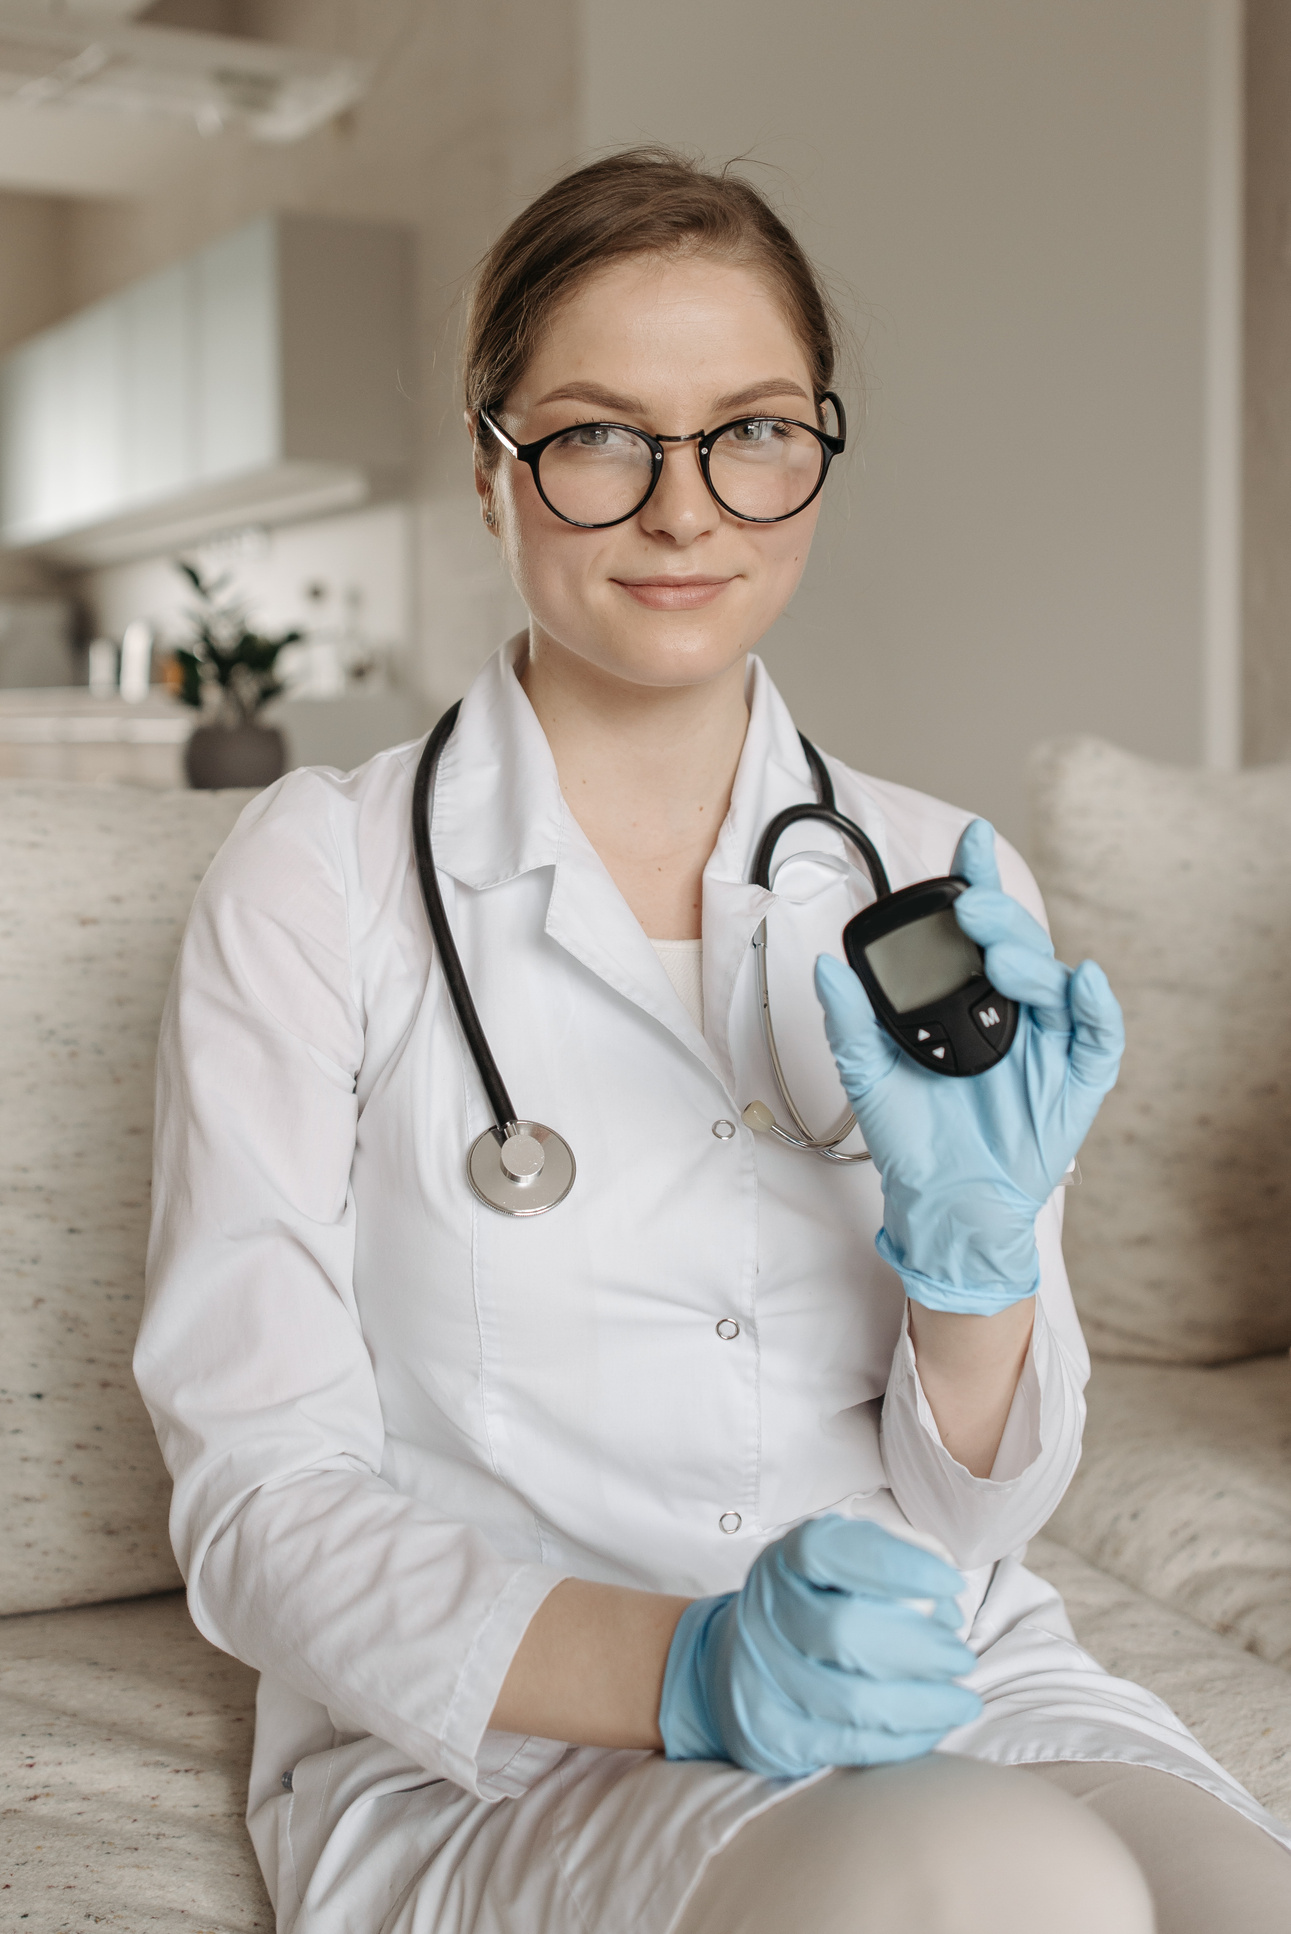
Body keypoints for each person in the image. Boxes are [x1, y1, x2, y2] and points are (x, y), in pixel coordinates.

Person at [137, 149, 1291, 1934]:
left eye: (751, 430)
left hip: (947, 1670)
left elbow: (981, 1520)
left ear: (815, 449)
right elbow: (258, 1498)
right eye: (601, 436)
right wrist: (689, 1672)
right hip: (509, 1742)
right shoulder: (322, 874)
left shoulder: (926, 871)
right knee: (1015, 1884)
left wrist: (975, 1270)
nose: (687, 511)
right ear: (492, 464)